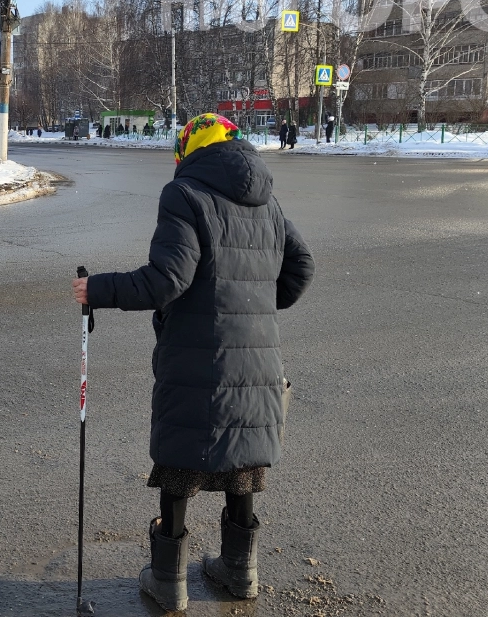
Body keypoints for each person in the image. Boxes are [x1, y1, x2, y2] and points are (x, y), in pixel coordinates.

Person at [71, 113, 314, 613]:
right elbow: (301, 267)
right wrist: (257, 305)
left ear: (188, 151)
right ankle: (240, 571)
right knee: (243, 459)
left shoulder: (183, 195)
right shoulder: (266, 198)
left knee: (183, 459)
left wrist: (98, 288)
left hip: (198, 355)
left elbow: (167, 280)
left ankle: (169, 581)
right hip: (258, 358)